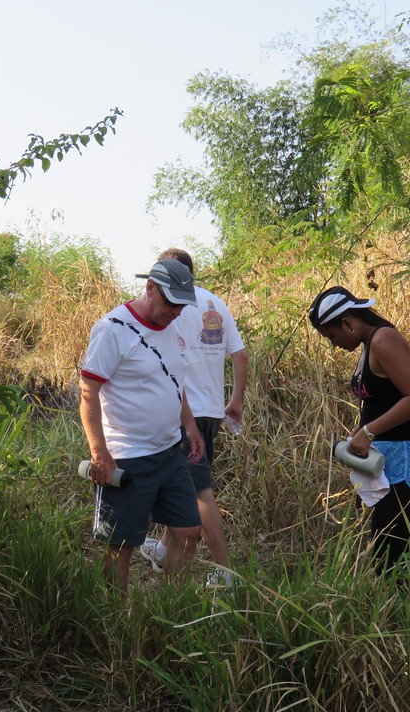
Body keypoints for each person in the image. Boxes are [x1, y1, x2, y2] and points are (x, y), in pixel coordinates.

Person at [79, 258, 205, 591]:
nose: (176, 311)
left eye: (182, 305)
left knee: (189, 532)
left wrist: (189, 425)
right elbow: (88, 391)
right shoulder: (113, 329)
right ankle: (115, 614)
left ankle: (172, 606)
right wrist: (99, 453)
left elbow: (174, 381)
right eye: (171, 302)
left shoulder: (173, 326)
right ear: (150, 288)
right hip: (128, 456)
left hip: (170, 451)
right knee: (122, 544)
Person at [307, 286, 410, 579]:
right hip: (389, 456)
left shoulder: (382, 340)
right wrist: (362, 432)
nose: (334, 344)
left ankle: (402, 602)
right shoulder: (369, 343)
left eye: (332, 336)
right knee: (397, 541)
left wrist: (368, 431)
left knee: (388, 546)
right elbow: (384, 399)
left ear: (348, 323)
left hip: (405, 456)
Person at [139, 248, 248, 587]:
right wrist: (236, 401)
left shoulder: (166, 303)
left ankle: (226, 572)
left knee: (199, 491)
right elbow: (240, 355)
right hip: (212, 412)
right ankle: (162, 549)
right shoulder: (217, 303)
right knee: (183, 484)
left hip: (181, 412)